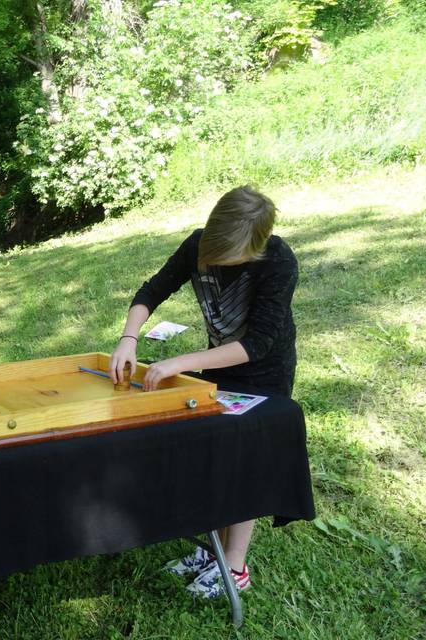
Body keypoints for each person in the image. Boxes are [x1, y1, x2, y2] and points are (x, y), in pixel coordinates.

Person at [108, 185, 297, 599]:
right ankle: (213, 553)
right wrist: (128, 339)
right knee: (216, 458)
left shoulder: (278, 262)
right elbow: (151, 290)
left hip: (264, 376)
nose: (214, 261)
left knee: (244, 464)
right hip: (220, 373)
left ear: (256, 245)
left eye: (229, 257)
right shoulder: (198, 245)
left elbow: (257, 343)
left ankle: (235, 564)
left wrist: (179, 363)